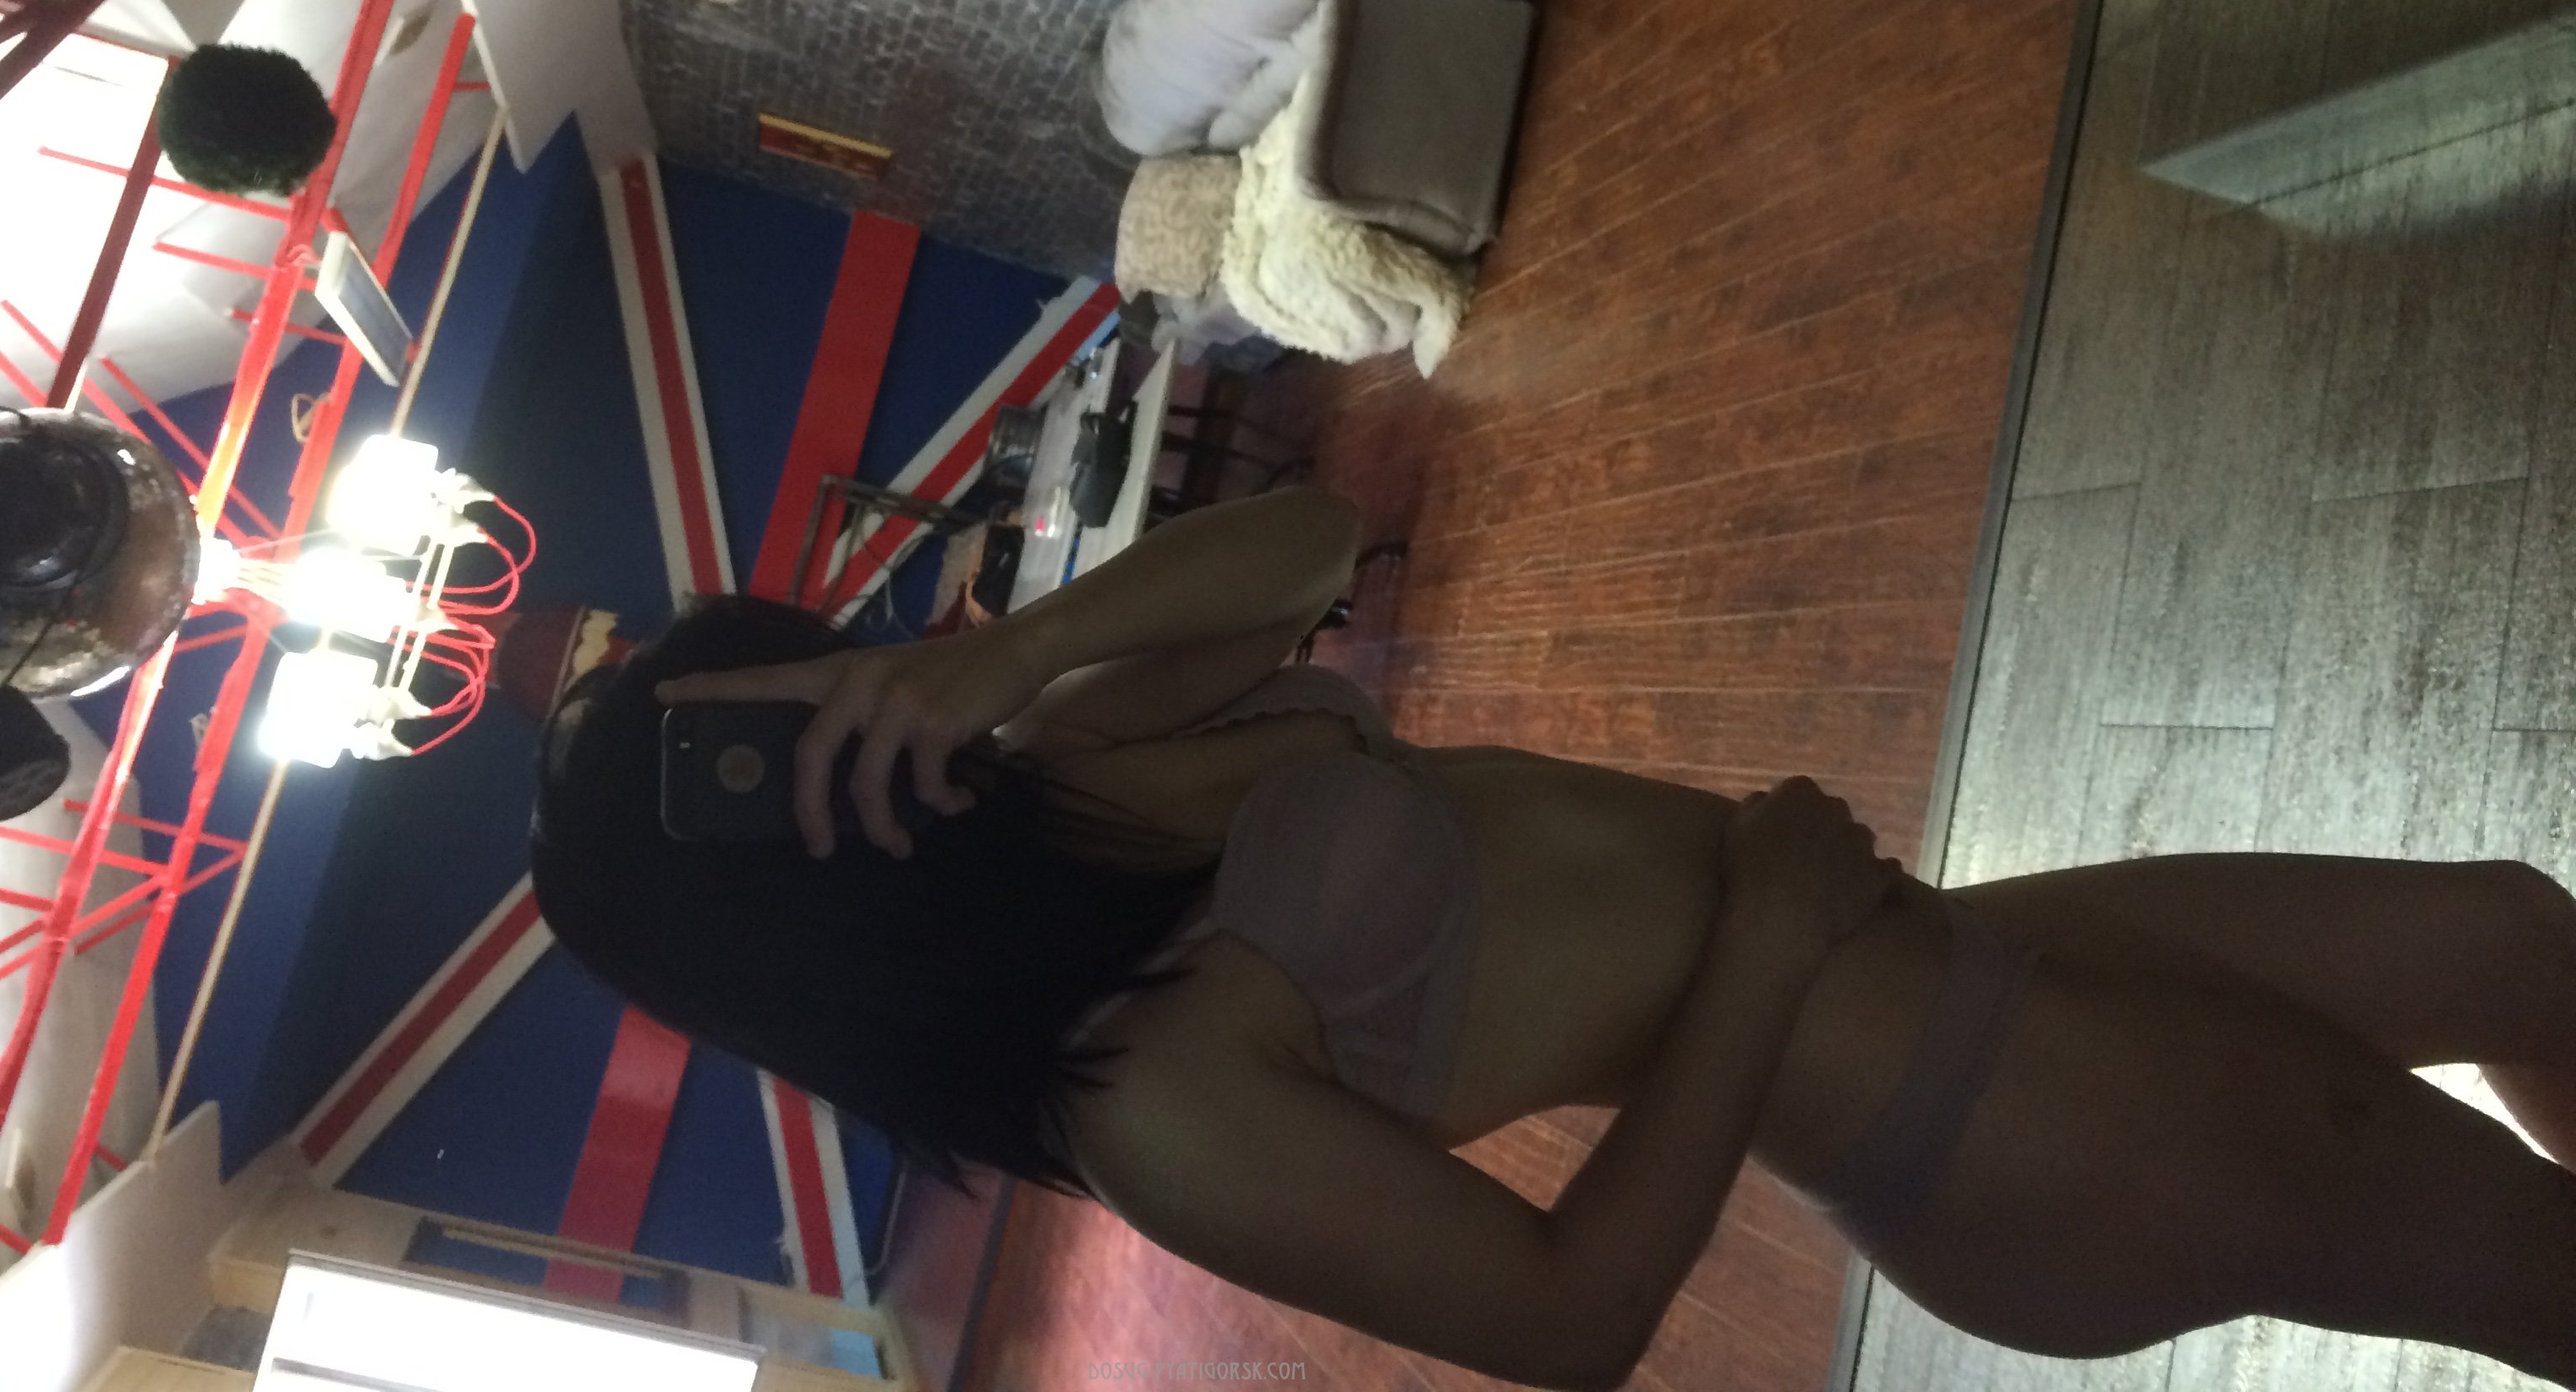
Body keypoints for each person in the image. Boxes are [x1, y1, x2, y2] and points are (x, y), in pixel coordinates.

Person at [530, 487, 2576, 1389]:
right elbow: (1568, 1321)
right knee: (2526, 1262)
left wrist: (1011, 649)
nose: (826, 698)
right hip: (1976, 1118)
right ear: (774, 915)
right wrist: (1759, 949)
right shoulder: (1144, 1092)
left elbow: (1310, 544)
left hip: (1951, 948)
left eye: (785, 687)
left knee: (2516, 939)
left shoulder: (1072, 749)